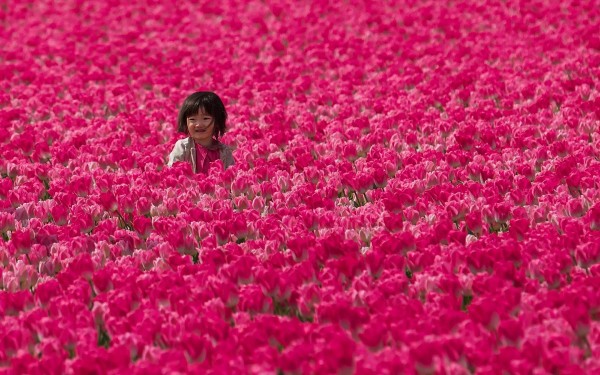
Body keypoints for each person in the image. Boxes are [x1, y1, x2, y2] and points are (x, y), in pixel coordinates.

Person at [168, 91, 234, 174]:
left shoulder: (224, 151)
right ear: (186, 122)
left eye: (205, 118)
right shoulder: (183, 148)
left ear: (217, 121)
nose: (199, 124)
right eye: (192, 119)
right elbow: (172, 173)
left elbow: (231, 176)